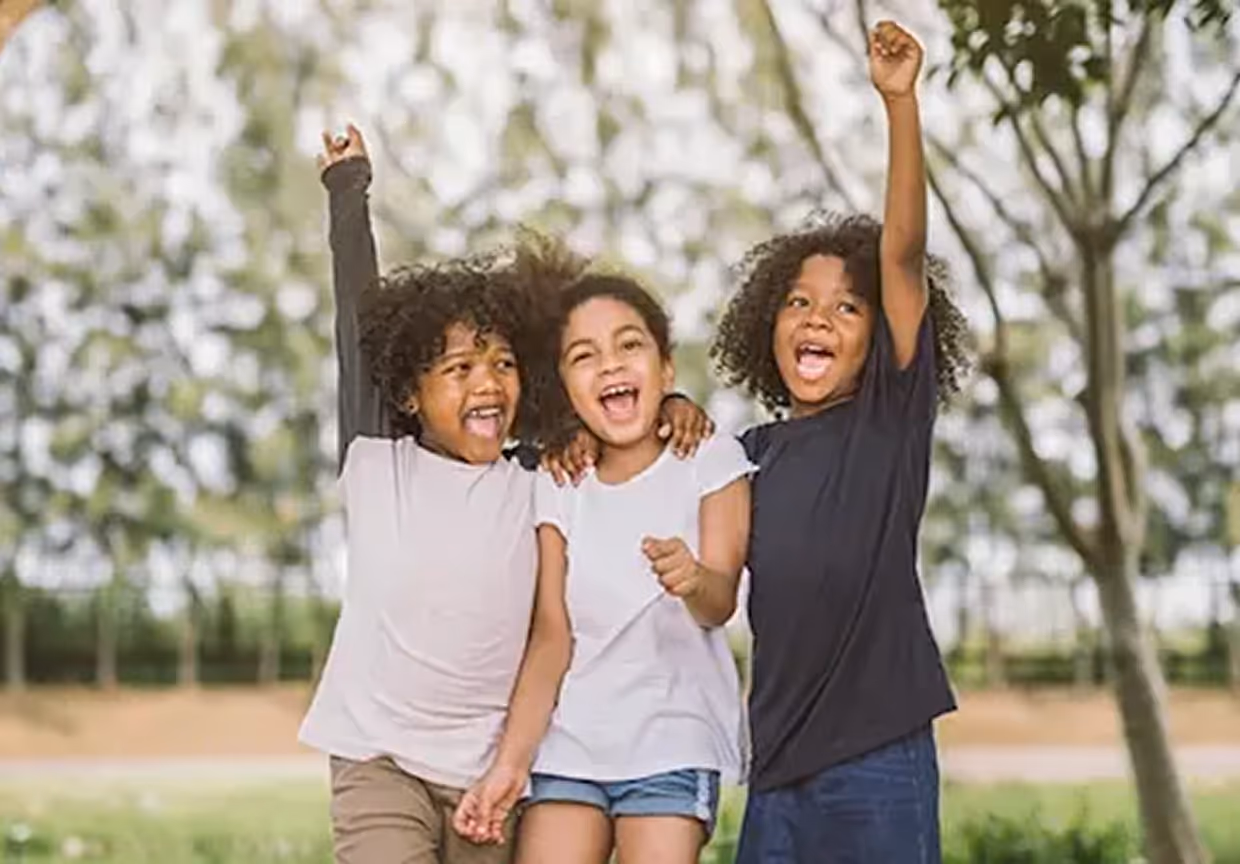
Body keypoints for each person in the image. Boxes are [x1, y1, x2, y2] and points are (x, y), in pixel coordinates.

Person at [299, 127, 712, 864]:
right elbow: (354, 318)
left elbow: (613, 407)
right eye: (457, 368)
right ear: (408, 391)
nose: (486, 382)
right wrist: (347, 189)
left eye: (501, 363)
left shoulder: (541, 475)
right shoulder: (376, 456)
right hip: (379, 758)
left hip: (491, 772)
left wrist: (672, 402)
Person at [710, 22, 970, 863]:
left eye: (845, 307)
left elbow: (901, 255)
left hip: (879, 761)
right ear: (766, 326)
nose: (817, 316)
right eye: (797, 303)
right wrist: (677, 415)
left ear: (875, 340)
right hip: (778, 771)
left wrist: (900, 105)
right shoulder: (744, 454)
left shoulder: (888, 426)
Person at [455, 261, 753, 864]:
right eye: (584, 356)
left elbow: (719, 604)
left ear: (666, 366)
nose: (611, 364)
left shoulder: (709, 456)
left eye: (629, 345)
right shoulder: (560, 480)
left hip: (673, 739)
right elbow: (550, 638)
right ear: (563, 385)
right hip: (570, 745)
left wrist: (694, 580)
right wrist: (509, 766)